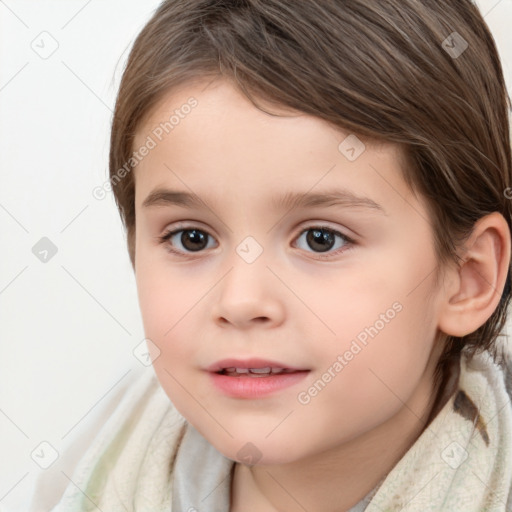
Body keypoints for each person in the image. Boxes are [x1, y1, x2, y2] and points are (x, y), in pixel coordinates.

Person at [31, 1, 512, 511]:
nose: (240, 301)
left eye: (320, 239)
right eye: (192, 238)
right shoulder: (89, 469)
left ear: (468, 277)